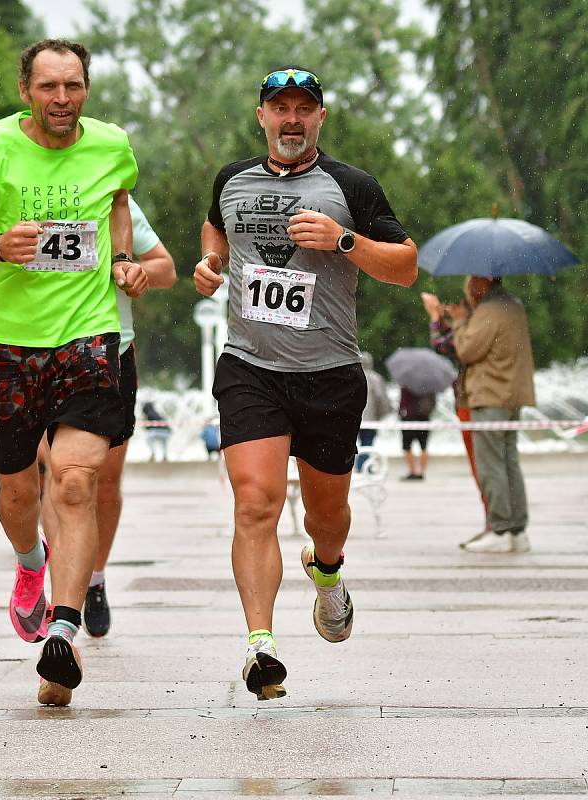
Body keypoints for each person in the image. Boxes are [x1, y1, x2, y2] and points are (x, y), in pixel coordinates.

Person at [0, 39, 146, 707]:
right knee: (20, 492)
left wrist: (126, 256)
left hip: (87, 336)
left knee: (76, 483)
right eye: (48, 86)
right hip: (8, 345)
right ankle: (29, 564)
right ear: (26, 91)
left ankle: (65, 631)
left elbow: (120, 200)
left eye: (72, 85)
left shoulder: (111, 145)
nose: (61, 99)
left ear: (87, 88)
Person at [193, 65, 417, 699]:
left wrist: (345, 240)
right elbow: (216, 224)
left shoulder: (352, 185)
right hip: (250, 369)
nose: (291, 118)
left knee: (328, 518)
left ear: (321, 117)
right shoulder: (232, 181)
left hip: (329, 375)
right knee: (256, 503)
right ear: (261, 116)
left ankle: (328, 573)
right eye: (279, 107)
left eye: (304, 108)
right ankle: (260, 646)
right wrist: (211, 262)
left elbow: (405, 266)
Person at [39, 197, 175, 639]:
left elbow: (166, 269)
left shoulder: (113, 196)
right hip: (36, 350)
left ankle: (93, 578)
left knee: (102, 481)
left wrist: (135, 271)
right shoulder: (20, 184)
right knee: (58, 477)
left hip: (107, 352)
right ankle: (62, 590)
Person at [448, 277, 535, 553]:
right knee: (509, 462)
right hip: (512, 394)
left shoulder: (490, 310)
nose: (468, 287)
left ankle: (499, 529)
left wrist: (461, 321)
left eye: (471, 281)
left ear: (482, 282)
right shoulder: (514, 305)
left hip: (489, 394)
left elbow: (466, 350)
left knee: (491, 465)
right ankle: (517, 530)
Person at [421, 291, 489, 542]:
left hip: (475, 402)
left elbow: (447, 345)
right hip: (478, 401)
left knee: (484, 467)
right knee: (487, 467)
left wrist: (438, 318)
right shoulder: (486, 318)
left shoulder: (478, 322)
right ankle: (496, 523)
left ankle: (496, 524)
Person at [356, 352, 389, 471]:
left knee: (351, 445)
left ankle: (355, 468)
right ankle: (363, 467)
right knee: (367, 443)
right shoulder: (376, 378)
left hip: (352, 417)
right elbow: (381, 399)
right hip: (370, 419)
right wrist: (381, 415)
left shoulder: (351, 376)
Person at [398, 386, 435, 480]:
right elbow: (433, 402)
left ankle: (412, 471)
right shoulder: (429, 384)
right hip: (424, 417)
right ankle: (422, 472)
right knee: (424, 446)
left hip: (408, 417)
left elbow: (403, 402)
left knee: (407, 445)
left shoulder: (406, 383)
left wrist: (400, 412)